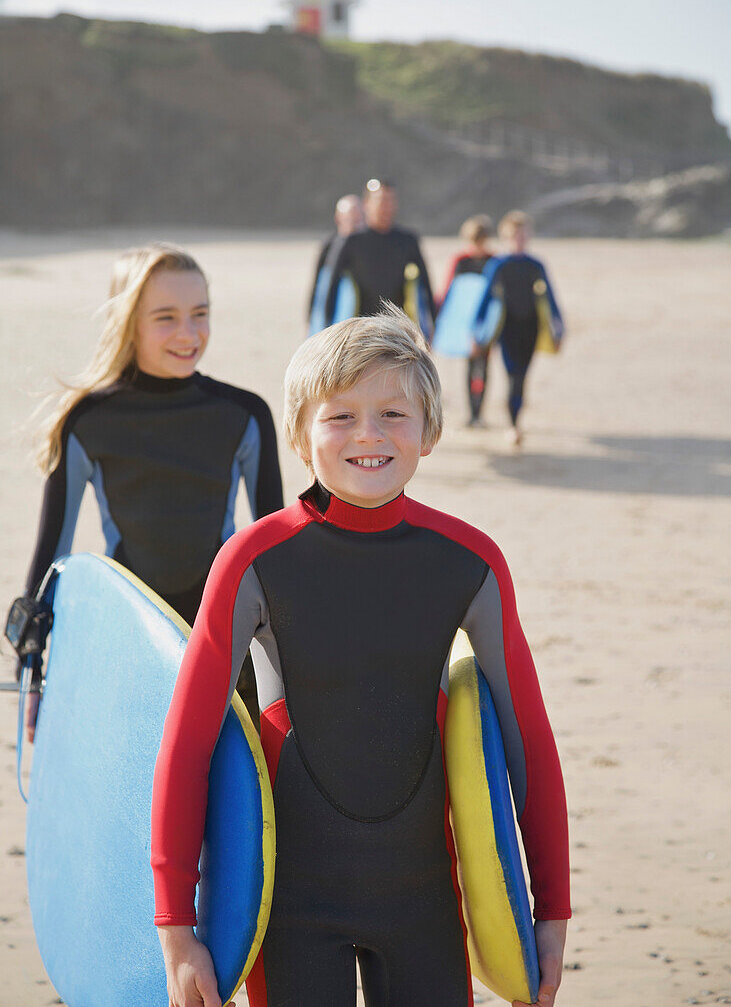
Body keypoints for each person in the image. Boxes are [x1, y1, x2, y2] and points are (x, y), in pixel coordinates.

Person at [152, 306, 570, 1007]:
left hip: (428, 903)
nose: (368, 436)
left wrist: (549, 908)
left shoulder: (468, 562)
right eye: (338, 416)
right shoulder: (254, 561)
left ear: (429, 431)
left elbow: (528, 742)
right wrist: (175, 924)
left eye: (393, 414)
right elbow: (186, 743)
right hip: (288, 906)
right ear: (298, 434)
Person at [10, 244, 283, 736]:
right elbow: (53, 554)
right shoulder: (88, 420)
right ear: (128, 322)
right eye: (166, 317)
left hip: (223, 637)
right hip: (130, 635)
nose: (189, 333)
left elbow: (274, 547)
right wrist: (31, 663)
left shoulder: (244, 414)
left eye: (200, 314)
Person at [473, 211, 563, 447]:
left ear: (529, 235)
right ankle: (513, 425)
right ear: (505, 237)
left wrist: (559, 330)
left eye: (523, 234)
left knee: (522, 375)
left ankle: (516, 420)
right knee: (513, 374)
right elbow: (484, 299)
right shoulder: (499, 265)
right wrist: (476, 331)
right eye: (514, 235)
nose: (519, 238)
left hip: (532, 327)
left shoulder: (536, 265)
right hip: (508, 328)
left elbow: (551, 299)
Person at [324, 179, 436, 334]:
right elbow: (332, 287)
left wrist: (433, 322)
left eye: (391, 201)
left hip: (398, 330)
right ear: (367, 204)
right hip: (359, 330)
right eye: (381, 201)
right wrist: (327, 328)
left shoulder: (408, 241)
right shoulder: (351, 242)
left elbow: (425, 284)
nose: (386, 207)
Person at [437, 214, 495, 427]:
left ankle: (479, 412)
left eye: (480, 241)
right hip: (463, 322)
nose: (477, 246)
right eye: (473, 241)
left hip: (485, 323)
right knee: (471, 366)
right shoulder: (460, 260)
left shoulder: (493, 260)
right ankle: (473, 413)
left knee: (484, 365)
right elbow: (447, 292)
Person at [307, 194, 364, 332]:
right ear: (338, 218)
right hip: (333, 306)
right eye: (349, 218)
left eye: (358, 219)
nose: (354, 223)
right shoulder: (329, 244)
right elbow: (317, 283)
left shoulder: (367, 245)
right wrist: (310, 316)